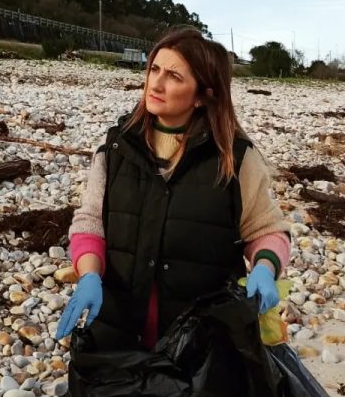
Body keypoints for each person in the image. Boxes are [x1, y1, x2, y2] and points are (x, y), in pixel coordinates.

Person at [56, 28, 291, 352]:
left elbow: (268, 231)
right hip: (119, 336)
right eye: (154, 69)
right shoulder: (115, 148)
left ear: (202, 94)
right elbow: (89, 222)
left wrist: (265, 269)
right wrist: (89, 275)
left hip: (204, 346)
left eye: (174, 76)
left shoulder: (234, 159)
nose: (156, 83)